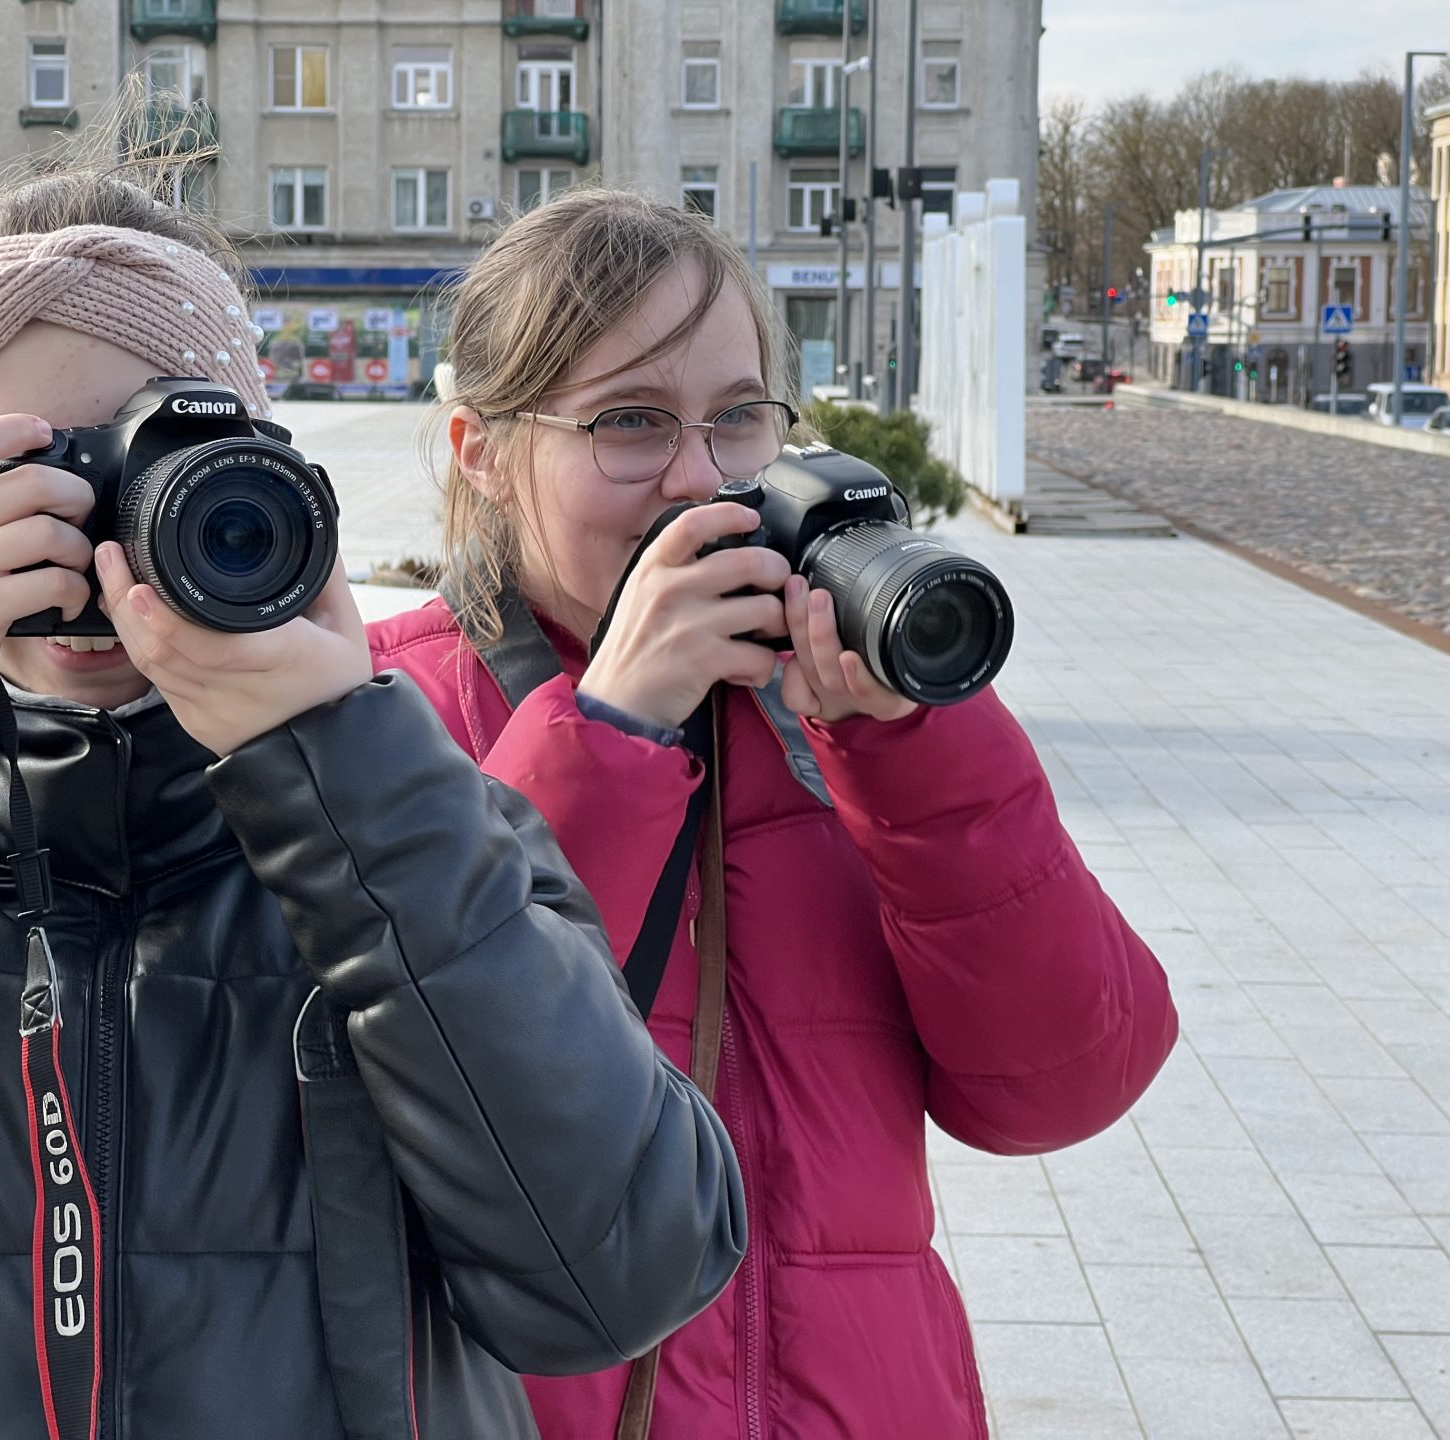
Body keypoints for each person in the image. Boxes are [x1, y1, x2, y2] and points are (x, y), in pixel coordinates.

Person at [0, 122, 745, 1439]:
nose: (102, 541)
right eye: (29, 479)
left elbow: (622, 1273)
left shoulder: (415, 827)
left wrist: (346, 772)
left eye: (151, 467)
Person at [369, 189, 1179, 1439]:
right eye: (630, 422)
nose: (700, 477)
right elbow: (411, 1112)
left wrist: (915, 749)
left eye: (737, 418)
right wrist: (614, 729)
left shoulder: (831, 712)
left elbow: (1063, 1082)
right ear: (481, 450)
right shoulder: (380, 716)